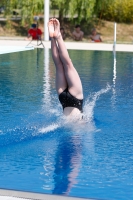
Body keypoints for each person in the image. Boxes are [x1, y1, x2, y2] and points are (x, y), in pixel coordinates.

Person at [48, 18, 83, 119]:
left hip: (76, 99)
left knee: (68, 64)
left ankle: (58, 37)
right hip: (63, 100)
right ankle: (53, 38)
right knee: (58, 65)